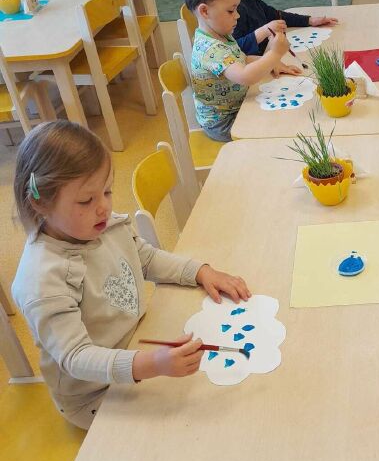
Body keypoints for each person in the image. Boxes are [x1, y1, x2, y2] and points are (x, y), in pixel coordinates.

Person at [11, 121, 251, 429]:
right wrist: (151, 364)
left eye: (107, 191)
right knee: (193, 421)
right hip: (93, 395)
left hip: (136, 346)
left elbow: (146, 259)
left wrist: (199, 271)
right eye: (86, 200)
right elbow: (77, 358)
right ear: (40, 203)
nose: (103, 207)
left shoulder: (101, 225)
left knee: (219, 397)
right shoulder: (43, 281)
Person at [185, 0, 292, 143]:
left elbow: (242, 58)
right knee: (275, 125)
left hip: (236, 106)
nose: (237, 15)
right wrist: (274, 54)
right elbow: (245, 76)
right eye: (231, 10)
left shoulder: (219, 33)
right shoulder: (210, 49)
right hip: (224, 123)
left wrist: (272, 63)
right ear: (204, 11)